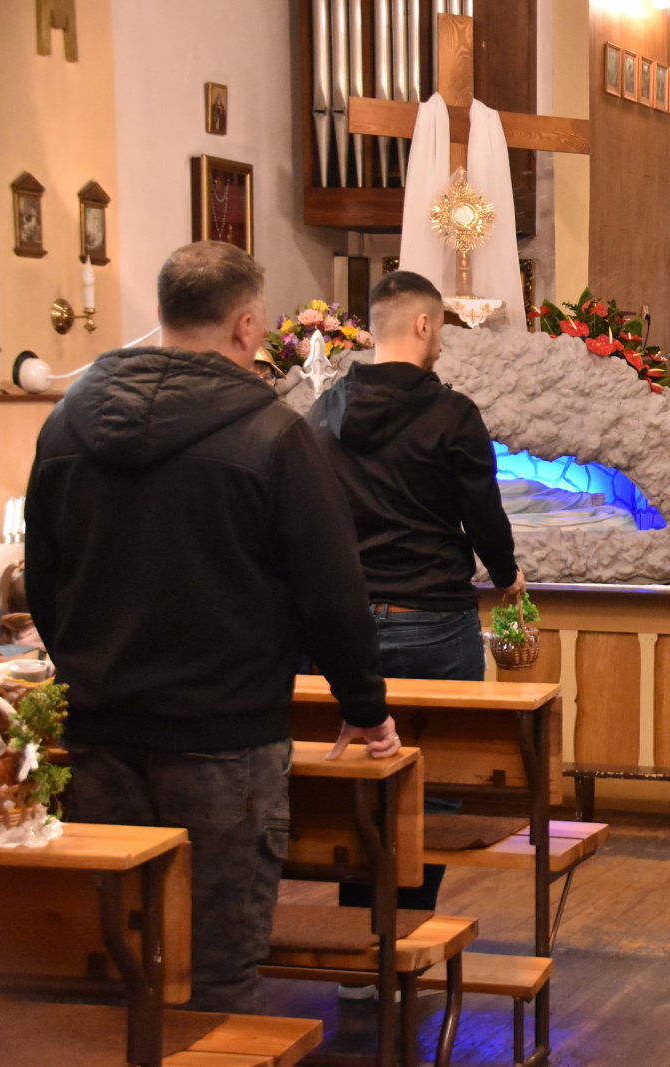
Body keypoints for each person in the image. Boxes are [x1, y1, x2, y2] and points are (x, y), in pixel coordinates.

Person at [25, 240, 397, 1012]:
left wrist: (86, 672)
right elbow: (331, 589)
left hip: (100, 734)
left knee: (117, 959)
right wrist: (364, 704)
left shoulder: (67, 426)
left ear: (163, 315)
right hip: (224, 737)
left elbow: (45, 580)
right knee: (216, 969)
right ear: (246, 325)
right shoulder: (273, 435)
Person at [307, 269, 522, 921]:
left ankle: (357, 928)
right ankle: (407, 926)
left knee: (355, 777)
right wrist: (506, 574)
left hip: (344, 622)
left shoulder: (323, 414)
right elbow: (482, 513)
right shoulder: (452, 414)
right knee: (437, 779)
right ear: (424, 325)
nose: (442, 344)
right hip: (432, 617)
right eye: (440, 330)